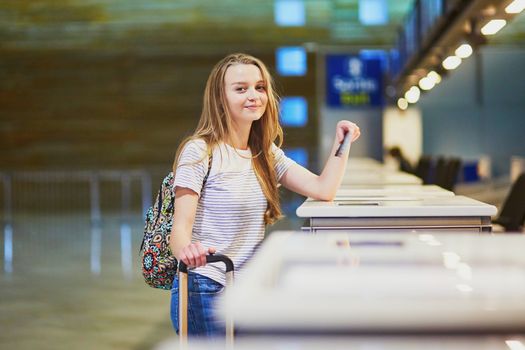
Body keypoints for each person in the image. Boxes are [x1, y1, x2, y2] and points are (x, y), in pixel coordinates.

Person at [169, 53, 360, 337]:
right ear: (220, 98)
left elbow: (323, 189)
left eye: (260, 88)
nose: (253, 96)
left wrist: (342, 143)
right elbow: (180, 228)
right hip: (205, 287)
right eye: (240, 88)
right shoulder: (199, 151)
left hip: (245, 287)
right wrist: (188, 252)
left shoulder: (265, 153)